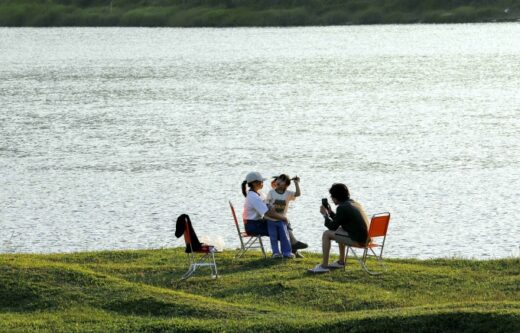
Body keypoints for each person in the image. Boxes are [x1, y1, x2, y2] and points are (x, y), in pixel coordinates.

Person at [308, 183, 370, 273]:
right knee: (340, 230)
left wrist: (325, 215)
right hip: (367, 239)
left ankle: (324, 266)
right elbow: (340, 221)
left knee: (326, 234)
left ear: (336, 197)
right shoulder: (354, 203)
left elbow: (332, 226)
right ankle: (341, 262)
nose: (332, 199)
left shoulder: (342, 208)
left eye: (332, 197)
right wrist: (330, 212)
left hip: (359, 241)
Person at [241, 171, 293, 258]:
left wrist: (275, 188)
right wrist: (284, 218)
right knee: (280, 225)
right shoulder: (253, 197)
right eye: (261, 181)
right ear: (254, 183)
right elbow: (268, 212)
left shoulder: (258, 193)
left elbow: (269, 201)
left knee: (281, 224)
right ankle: (290, 247)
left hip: (257, 222)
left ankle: (292, 245)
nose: (263, 183)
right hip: (253, 226)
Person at [267, 174, 308, 258]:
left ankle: (287, 252)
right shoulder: (271, 192)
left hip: (281, 220)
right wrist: (270, 206)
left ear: (286, 185)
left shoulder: (288, 194)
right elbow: (267, 203)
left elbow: (298, 194)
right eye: (278, 179)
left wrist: (296, 183)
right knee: (273, 237)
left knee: (284, 237)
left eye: (282, 181)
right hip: (271, 220)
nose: (278, 181)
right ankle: (276, 253)